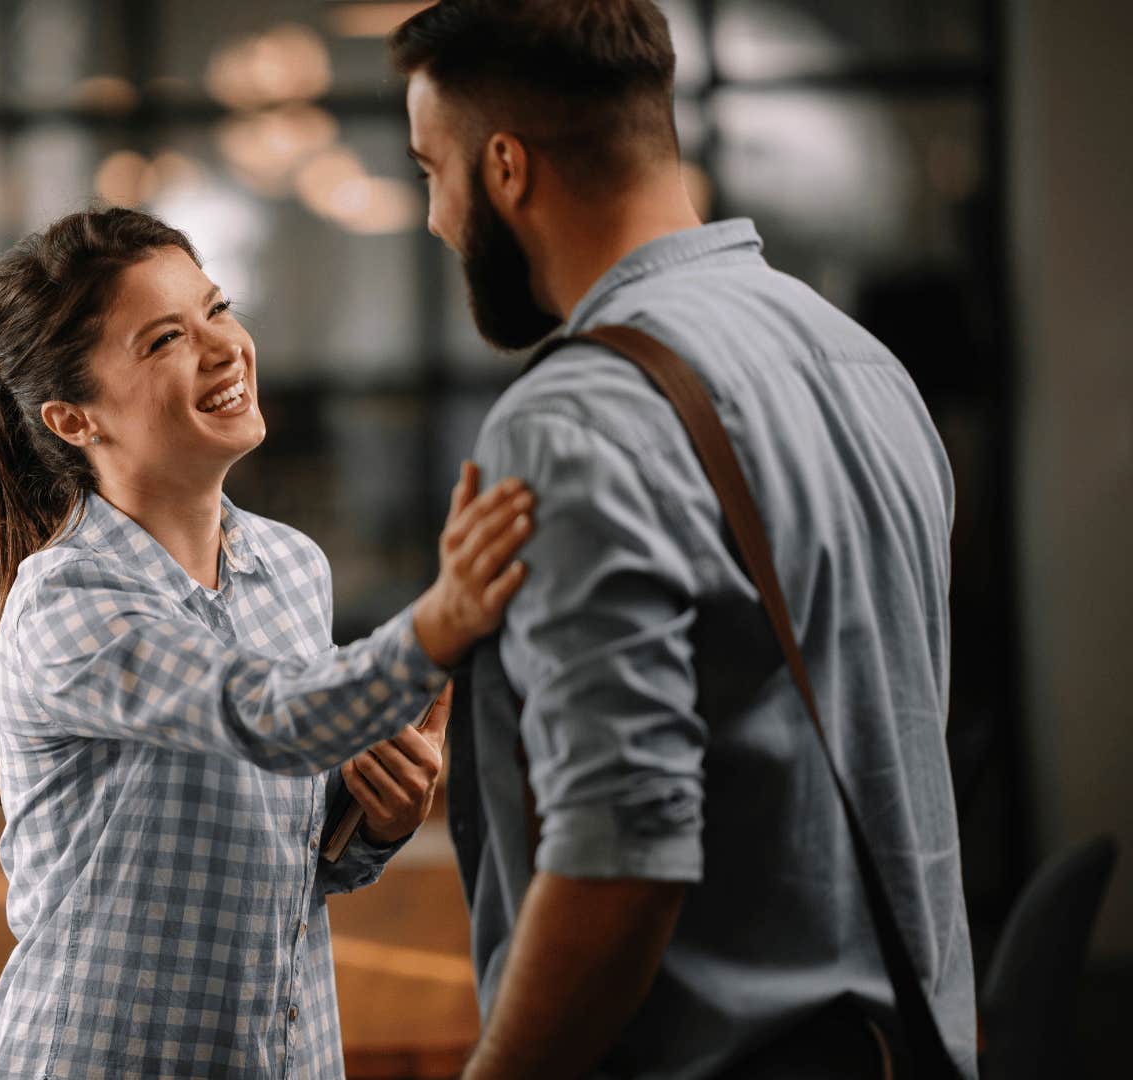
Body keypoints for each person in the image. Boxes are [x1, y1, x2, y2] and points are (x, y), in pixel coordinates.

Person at [388, 3, 977, 1077]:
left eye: (434, 171)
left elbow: (618, 861)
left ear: (506, 168)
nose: (433, 217)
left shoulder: (569, 419)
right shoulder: (859, 363)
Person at [0, 207, 534, 1077]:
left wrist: (374, 825)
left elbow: (288, 866)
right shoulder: (67, 604)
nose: (224, 346)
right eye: (164, 340)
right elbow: (266, 715)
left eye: (217, 309)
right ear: (72, 420)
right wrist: (445, 620)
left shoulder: (291, 567)